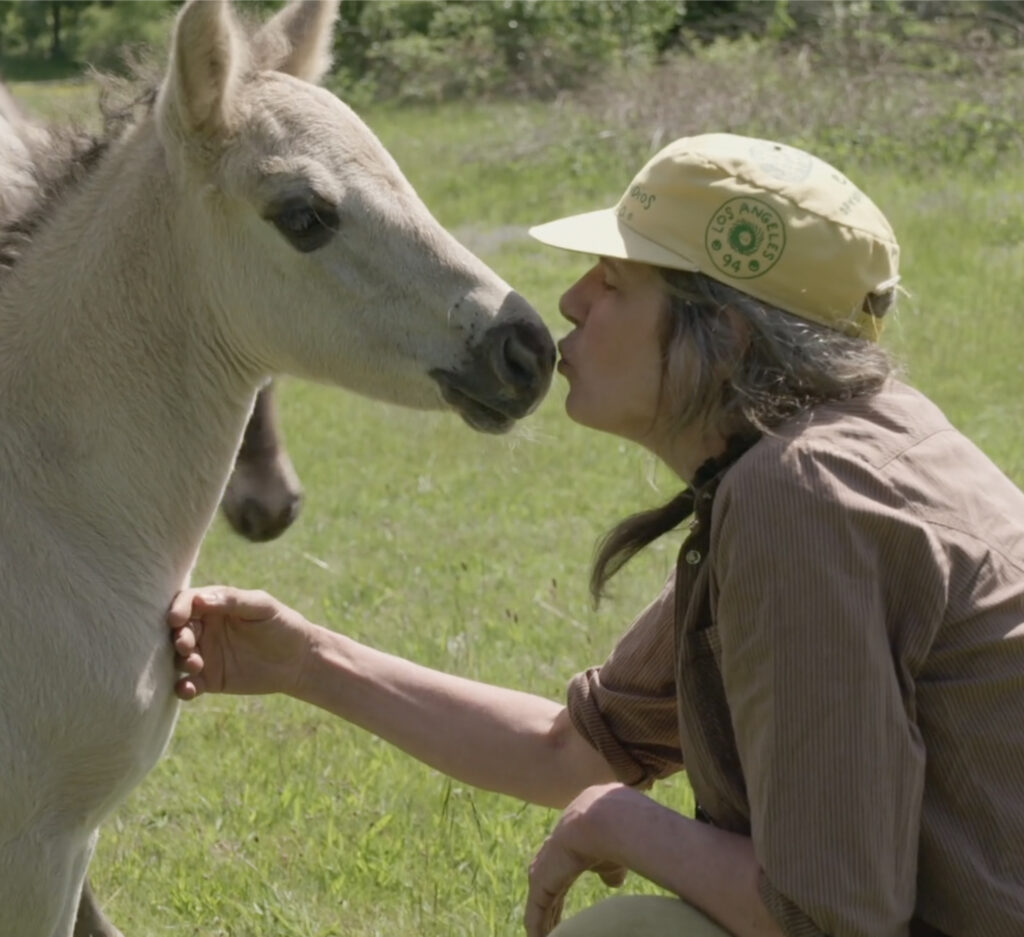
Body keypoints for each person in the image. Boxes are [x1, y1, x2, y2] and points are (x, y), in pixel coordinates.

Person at [169, 133, 1024, 937]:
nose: (572, 301)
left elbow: (830, 916)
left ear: (722, 336)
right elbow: (574, 749)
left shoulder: (803, 494)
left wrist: (622, 820)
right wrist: (305, 661)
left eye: (614, 282)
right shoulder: (835, 451)